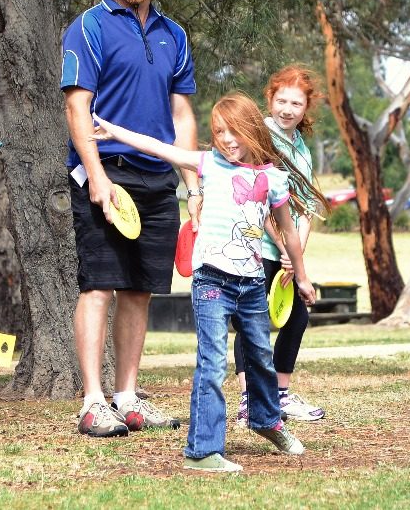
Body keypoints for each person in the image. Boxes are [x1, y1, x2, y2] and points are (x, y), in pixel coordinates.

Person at [91, 93, 313, 473]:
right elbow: (159, 147)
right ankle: (202, 451)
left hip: (252, 285)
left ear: (252, 131)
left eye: (235, 132)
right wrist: (114, 132)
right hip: (211, 282)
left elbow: (288, 232)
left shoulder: (272, 179)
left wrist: (302, 276)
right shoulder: (208, 163)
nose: (227, 139)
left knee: (260, 357)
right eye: (219, 131)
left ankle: (266, 421)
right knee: (212, 363)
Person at [61, 0, 201, 438]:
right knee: (99, 285)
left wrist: (193, 184)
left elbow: (181, 112)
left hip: (159, 179)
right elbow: (77, 108)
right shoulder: (90, 27)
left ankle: (127, 396)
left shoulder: (175, 35)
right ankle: (93, 402)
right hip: (108, 175)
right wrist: (96, 176)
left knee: (140, 291)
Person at [233, 65, 329, 424]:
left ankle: (280, 395)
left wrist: (296, 257)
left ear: (306, 108)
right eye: (281, 100)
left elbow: (306, 207)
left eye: (296, 103)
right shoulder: (260, 135)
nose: (287, 109)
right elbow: (262, 198)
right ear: (269, 99)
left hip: (288, 252)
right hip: (257, 246)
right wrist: (285, 249)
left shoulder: (301, 147)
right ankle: (248, 400)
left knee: (297, 316)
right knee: (251, 322)